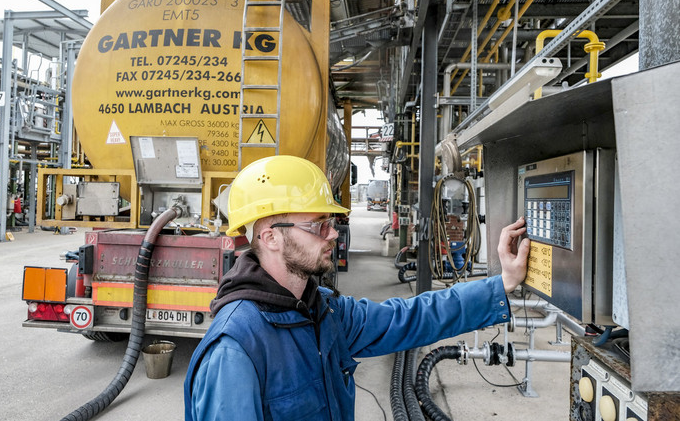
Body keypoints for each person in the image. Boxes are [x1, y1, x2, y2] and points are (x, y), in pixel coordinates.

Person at [184, 155, 530, 421]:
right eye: (318, 226)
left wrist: (501, 284)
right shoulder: (235, 349)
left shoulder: (321, 310)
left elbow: (411, 317)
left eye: (331, 223)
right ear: (271, 237)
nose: (333, 234)